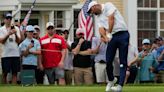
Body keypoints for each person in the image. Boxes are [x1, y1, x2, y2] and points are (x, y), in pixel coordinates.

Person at [88, 1, 129, 91]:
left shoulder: (108, 5)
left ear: (94, 6)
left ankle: (120, 86)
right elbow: (100, 29)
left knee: (123, 62)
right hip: (112, 37)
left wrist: (108, 33)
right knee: (109, 60)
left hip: (123, 34)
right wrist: (105, 37)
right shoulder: (98, 17)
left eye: (91, 10)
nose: (92, 13)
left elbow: (111, 18)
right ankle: (111, 79)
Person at [0, 12, 21, 84]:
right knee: (5, 73)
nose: (9, 20)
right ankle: (4, 88)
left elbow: (18, 41)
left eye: (10, 18)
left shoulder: (16, 28)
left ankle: (13, 88)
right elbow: (2, 41)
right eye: (7, 18)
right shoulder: (1, 29)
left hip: (15, 54)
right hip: (5, 54)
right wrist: (8, 34)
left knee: (15, 73)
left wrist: (15, 33)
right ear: (4, 20)